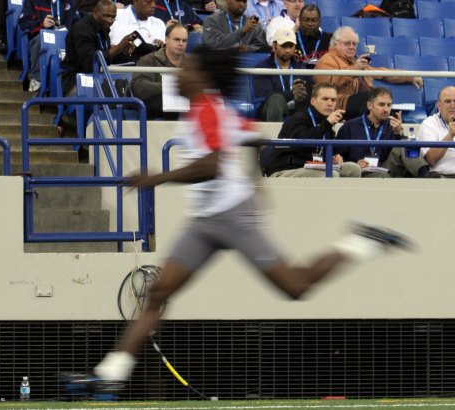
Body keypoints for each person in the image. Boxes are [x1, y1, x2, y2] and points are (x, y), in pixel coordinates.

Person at [65, 46, 412, 395]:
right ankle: (110, 374)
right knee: (158, 293)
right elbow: (250, 137)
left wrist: (156, 178)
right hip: (205, 220)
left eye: (188, 69)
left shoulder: (207, 112)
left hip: (231, 216)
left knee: (294, 286)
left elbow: (213, 165)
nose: (180, 73)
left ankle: (360, 243)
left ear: (204, 78)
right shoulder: (212, 111)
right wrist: (254, 182)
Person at [314, 26, 423, 120]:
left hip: (356, 105)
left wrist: (409, 76)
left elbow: (382, 73)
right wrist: (356, 68)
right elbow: (331, 83)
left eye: (354, 44)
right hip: (338, 104)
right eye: (347, 43)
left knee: (382, 100)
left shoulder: (354, 62)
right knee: (370, 98)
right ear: (335, 45)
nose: (352, 47)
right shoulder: (326, 60)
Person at [263, 82, 362, 177]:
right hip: (286, 170)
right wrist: (327, 124)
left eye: (333, 100)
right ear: (313, 101)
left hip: (313, 168)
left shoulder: (327, 124)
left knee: (353, 168)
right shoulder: (299, 118)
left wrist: (334, 157)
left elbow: (318, 152)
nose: (330, 103)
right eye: (325, 99)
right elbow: (301, 144)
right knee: (331, 174)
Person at [336, 87, 429, 178]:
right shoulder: (350, 126)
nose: (386, 109)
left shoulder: (392, 126)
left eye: (389, 105)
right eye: (381, 104)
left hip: (385, 169)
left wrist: (398, 133)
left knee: (405, 145)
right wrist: (355, 164)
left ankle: (426, 176)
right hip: (359, 171)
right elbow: (338, 158)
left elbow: (398, 156)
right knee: (383, 175)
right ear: (369, 105)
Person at [61, 0, 136, 96]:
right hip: (76, 82)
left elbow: (107, 59)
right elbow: (89, 64)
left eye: (113, 17)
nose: (110, 20)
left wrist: (124, 53)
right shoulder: (82, 29)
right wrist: (118, 47)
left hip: (98, 78)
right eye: (106, 16)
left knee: (129, 89)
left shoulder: (103, 28)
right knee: (115, 94)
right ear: (95, 13)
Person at [19, 0, 79, 92]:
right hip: (41, 37)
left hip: (64, 39)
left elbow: (77, 24)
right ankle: (36, 78)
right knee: (40, 40)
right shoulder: (32, 1)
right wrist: (42, 24)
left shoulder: (69, 2)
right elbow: (24, 23)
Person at [131, 23, 188, 120]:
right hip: (155, 116)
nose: (181, 43)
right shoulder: (148, 60)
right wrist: (169, 85)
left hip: (186, 116)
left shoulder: (191, 63)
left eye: (184, 40)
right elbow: (138, 87)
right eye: (177, 39)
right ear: (166, 39)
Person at [253, 28, 309, 122]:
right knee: (276, 100)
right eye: (283, 46)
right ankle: (276, 136)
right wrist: (292, 93)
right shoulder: (262, 67)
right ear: (274, 46)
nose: (287, 50)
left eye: (290, 46)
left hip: (296, 109)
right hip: (269, 109)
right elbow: (266, 96)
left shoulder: (301, 68)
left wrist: (301, 95)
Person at [417, 85, 455, 178]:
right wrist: (450, 136)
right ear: (439, 105)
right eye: (447, 101)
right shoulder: (429, 124)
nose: (453, 105)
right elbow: (430, 159)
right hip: (441, 177)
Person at [202, 0, 269, 52]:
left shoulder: (252, 24)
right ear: (227, 1)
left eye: (244, 1)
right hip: (220, 63)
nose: (242, 4)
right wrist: (242, 32)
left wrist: (248, 49)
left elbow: (262, 46)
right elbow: (213, 45)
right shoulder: (212, 20)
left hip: (248, 64)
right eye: (238, 0)